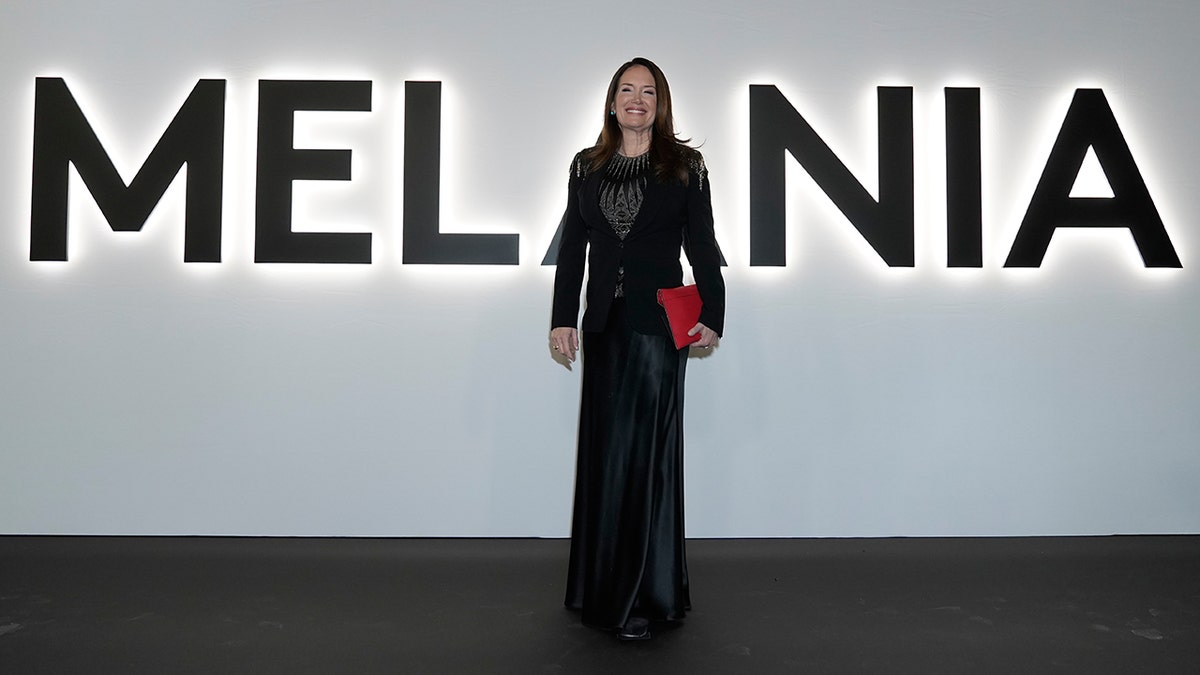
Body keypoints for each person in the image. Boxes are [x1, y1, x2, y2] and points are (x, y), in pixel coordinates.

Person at [549, 57, 726, 641]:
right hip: (602, 327)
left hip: (656, 330)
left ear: (661, 103)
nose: (637, 99)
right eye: (627, 89)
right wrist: (561, 319)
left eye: (648, 91)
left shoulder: (685, 166)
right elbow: (572, 248)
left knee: (641, 459)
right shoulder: (586, 165)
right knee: (606, 457)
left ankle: (637, 597)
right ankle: (598, 586)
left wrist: (713, 314)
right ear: (611, 101)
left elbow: (703, 245)